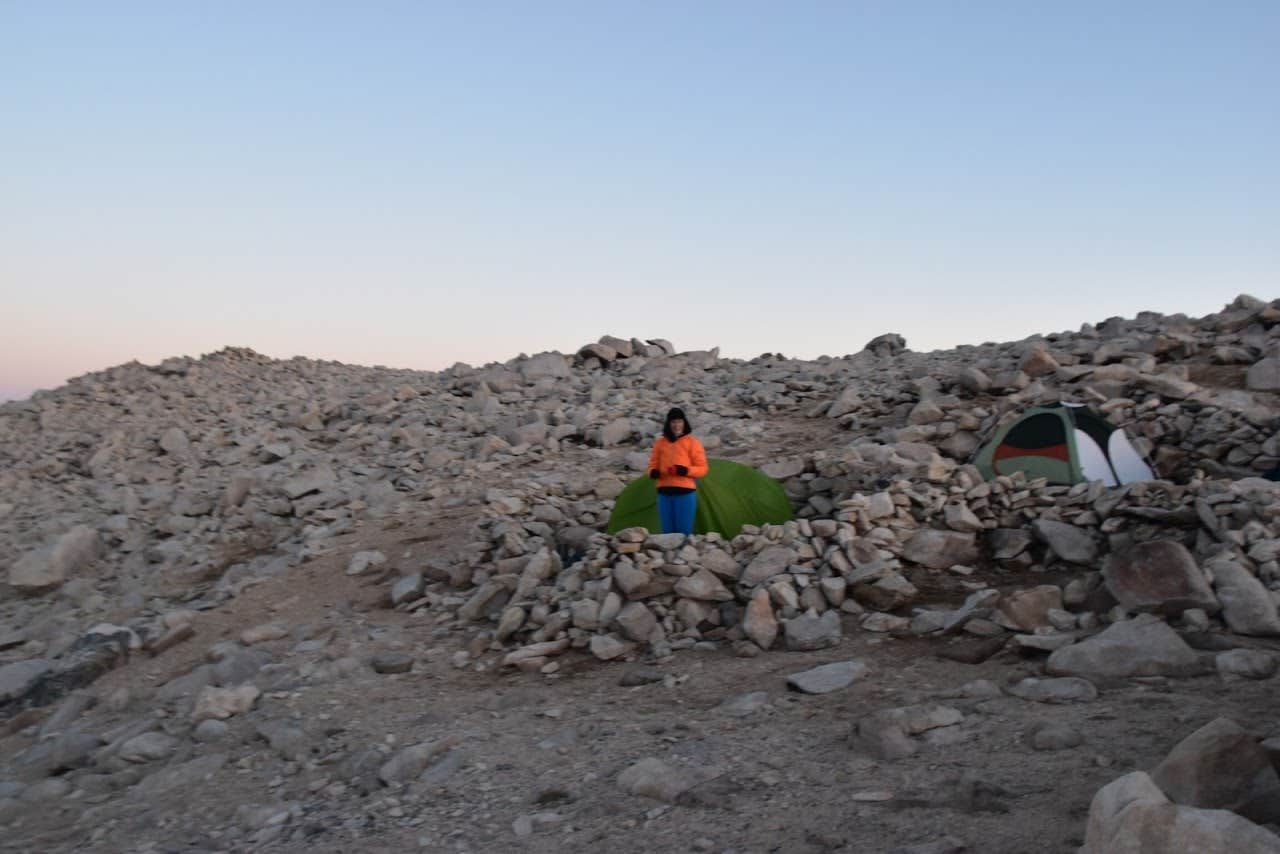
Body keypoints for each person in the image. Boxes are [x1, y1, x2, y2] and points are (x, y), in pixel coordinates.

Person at [647, 407, 709, 535]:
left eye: (679, 422)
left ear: (684, 423)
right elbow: (652, 466)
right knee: (667, 532)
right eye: (673, 422)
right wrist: (653, 472)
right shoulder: (660, 443)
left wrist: (685, 470)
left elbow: (703, 469)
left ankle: (683, 554)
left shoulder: (692, 443)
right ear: (668, 424)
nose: (676, 425)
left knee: (683, 532)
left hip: (684, 493)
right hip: (664, 492)